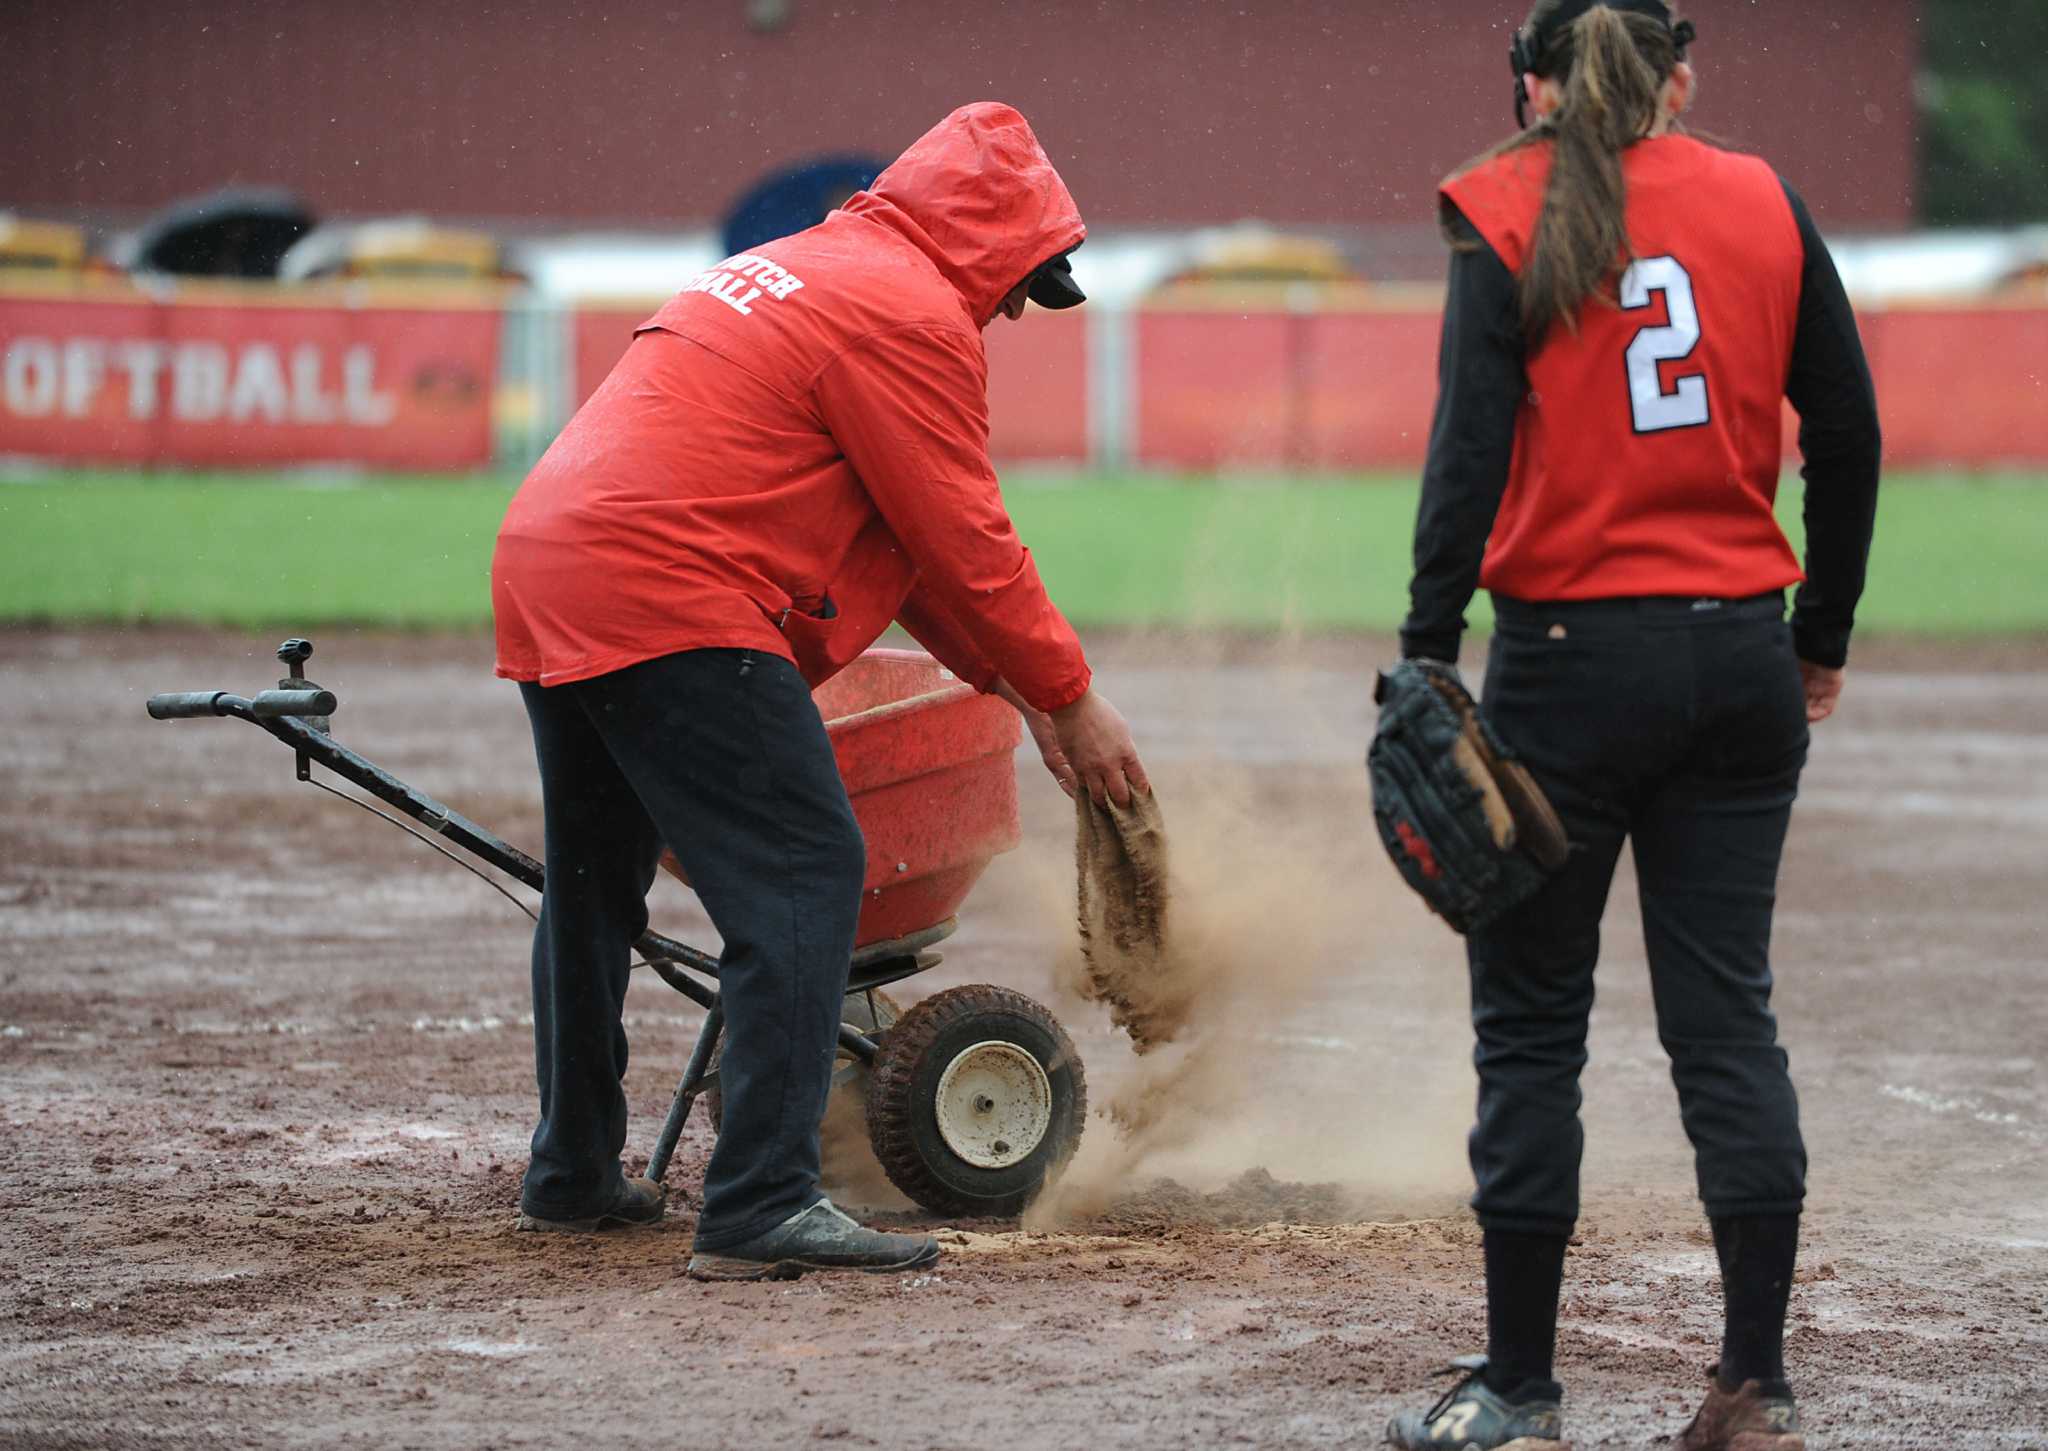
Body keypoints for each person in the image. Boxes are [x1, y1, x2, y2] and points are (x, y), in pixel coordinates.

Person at [490, 102, 1149, 1281]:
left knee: (593, 881)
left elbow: (920, 560)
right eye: (1018, 283)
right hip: (670, 588)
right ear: (986, 243)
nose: (1009, 309)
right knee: (805, 869)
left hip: (556, 558)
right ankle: (757, 1202)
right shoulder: (909, 315)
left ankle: (575, 1169)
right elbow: (969, 540)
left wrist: (1036, 693)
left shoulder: (802, 265)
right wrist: (1074, 694)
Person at [1382, 3, 1879, 1447]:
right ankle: (1755, 1385)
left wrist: (1426, 649)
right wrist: (1822, 636)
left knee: (1533, 1033)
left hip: (1563, 664)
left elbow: (1467, 452)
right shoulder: (1764, 197)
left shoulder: (1502, 202)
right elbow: (1845, 435)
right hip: (1737, 658)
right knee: (1729, 1025)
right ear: (1683, 76)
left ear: (1533, 86)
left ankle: (1521, 1388)